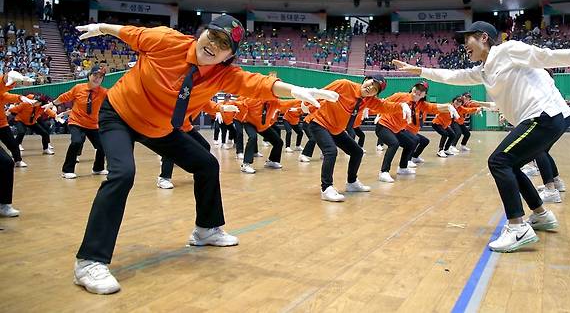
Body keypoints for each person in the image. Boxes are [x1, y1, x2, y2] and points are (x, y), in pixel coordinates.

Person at [71, 15, 338, 295]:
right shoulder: (166, 40)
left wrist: (294, 90)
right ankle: (90, 261)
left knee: (207, 164)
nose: (213, 45)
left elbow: (257, 84)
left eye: (223, 45)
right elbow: (129, 31)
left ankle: (206, 229)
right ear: (202, 33)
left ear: (228, 56)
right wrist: (100, 28)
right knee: (123, 174)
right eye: (212, 36)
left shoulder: (223, 75)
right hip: (120, 115)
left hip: (159, 128)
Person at [393, 21, 570, 253]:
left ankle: (518, 227)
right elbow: (454, 76)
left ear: (483, 37)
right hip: (542, 118)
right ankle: (541, 214)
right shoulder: (484, 69)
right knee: (512, 165)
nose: (463, 46)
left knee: (499, 161)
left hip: (543, 115)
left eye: (467, 40)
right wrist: (419, 70)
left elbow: (547, 56)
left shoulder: (507, 51)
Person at [304, 75, 412, 202]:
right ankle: (326, 188)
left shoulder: (368, 100)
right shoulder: (344, 84)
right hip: (319, 123)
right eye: (371, 83)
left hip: (336, 129)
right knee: (331, 151)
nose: (370, 88)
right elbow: (320, 93)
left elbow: (384, 106)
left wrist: (402, 106)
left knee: (357, 152)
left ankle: (352, 182)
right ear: (366, 80)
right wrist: (305, 104)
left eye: (375, 89)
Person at [375, 82, 451, 182]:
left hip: (397, 129)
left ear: (424, 95)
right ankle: (384, 172)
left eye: (422, 91)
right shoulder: (400, 96)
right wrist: (378, 115)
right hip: (384, 126)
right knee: (394, 144)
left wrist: (449, 107)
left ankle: (402, 167)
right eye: (417, 89)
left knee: (410, 143)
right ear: (413, 89)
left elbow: (434, 107)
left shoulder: (420, 104)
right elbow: (383, 104)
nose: (418, 92)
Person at [52, 65, 108, 179]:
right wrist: (53, 104)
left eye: (100, 77)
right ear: (89, 76)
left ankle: (98, 168)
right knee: (76, 142)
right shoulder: (78, 88)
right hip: (76, 122)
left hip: (93, 124)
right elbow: (65, 97)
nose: (97, 79)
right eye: (95, 75)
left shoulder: (104, 92)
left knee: (102, 146)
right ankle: (67, 170)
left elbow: (118, 97)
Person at [0, 71, 35, 168]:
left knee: (12, 143)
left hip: (2, 123)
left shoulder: (2, 94)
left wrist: (21, 98)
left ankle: (18, 160)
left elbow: (7, 94)